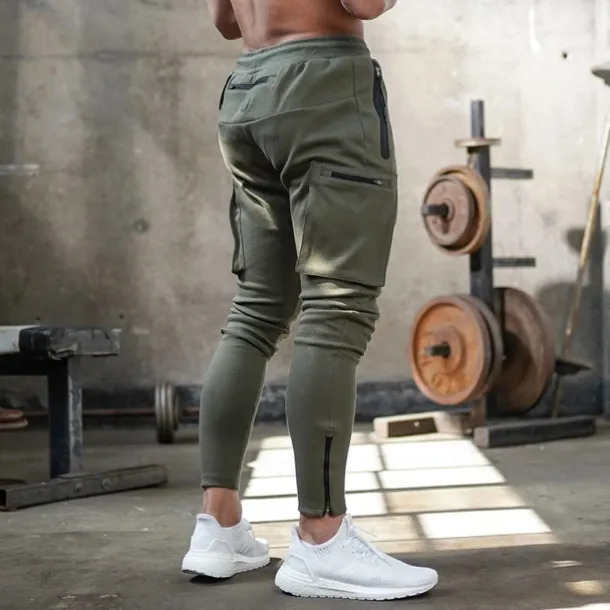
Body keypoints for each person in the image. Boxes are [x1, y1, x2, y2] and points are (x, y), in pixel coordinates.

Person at [181, 0, 439, 600]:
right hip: (323, 88)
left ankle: (218, 525)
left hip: (248, 93)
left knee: (256, 310)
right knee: (336, 307)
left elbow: (225, 20)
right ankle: (322, 538)